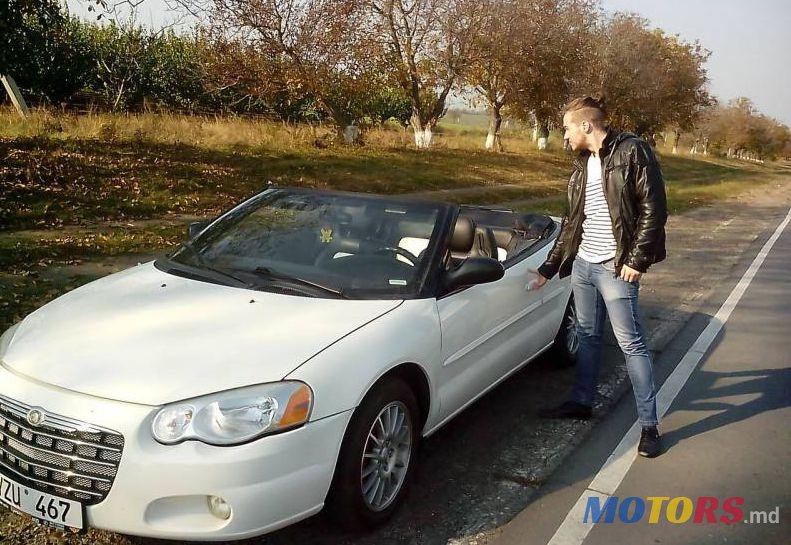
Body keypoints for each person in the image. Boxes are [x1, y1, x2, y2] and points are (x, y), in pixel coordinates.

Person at [530, 96, 668, 458]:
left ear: (585, 125)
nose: (564, 135)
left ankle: (649, 426)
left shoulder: (633, 151)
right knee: (587, 336)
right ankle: (582, 402)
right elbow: (572, 222)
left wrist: (637, 260)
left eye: (566, 128)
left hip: (616, 267)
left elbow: (655, 209)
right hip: (584, 266)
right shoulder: (582, 164)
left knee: (631, 344)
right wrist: (549, 268)